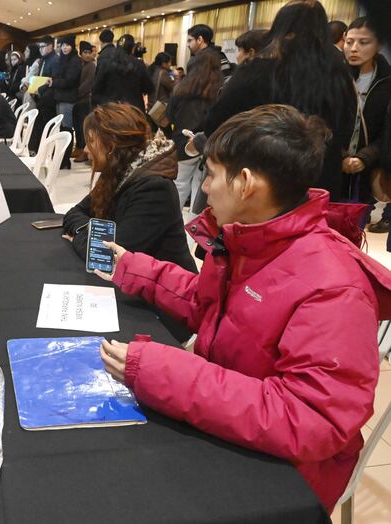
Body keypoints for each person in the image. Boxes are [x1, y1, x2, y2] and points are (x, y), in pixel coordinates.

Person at [96, 104, 391, 513]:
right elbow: (210, 306)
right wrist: (137, 268)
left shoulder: (333, 287)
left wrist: (163, 370)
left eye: (212, 174)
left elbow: (310, 419)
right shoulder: (254, 241)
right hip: (233, 422)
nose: (204, 189)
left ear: (246, 183)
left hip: (288, 474)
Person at [190, 0, 356, 202]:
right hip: (321, 180)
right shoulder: (340, 75)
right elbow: (346, 129)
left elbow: (216, 121)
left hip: (263, 179)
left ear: (281, 28)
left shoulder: (259, 69)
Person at [62, 103, 196, 272]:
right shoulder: (116, 173)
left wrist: (78, 238)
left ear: (110, 147)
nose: (87, 150)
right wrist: (93, 233)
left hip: (163, 295)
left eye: (90, 142)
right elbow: (73, 213)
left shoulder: (155, 190)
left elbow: (110, 258)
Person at [343, 16, 391, 217]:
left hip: (367, 170)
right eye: (349, 41)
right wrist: (342, 156)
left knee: (354, 229)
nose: (354, 48)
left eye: (364, 42)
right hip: (331, 168)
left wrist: (365, 157)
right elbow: (320, 123)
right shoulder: (334, 77)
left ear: (378, 45)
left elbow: (387, 133)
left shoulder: (387, 83)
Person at [167, 50, 223, 215]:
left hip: (182, 143)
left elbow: (169, 115)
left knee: (179, 185)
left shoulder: (181, 88)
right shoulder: (218, 90)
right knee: (201, 191)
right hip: (206, 142)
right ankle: (194, 231)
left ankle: (171, 224)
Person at [92, 34, 153, 111]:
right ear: (132, 48)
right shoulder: (138, 64)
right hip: (134, 110)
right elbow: (149, 88)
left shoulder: (106, 64)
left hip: (112, 110)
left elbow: (96, 89)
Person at [48, 35, 82, 169]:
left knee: (66, 129)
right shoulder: (61, 60)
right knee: (60, 129)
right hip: (59, 98)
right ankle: (60, 158)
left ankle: (65, 160)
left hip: (68, 99)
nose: (64, 48)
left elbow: (70, 80)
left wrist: (54, 82)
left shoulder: (75, 60)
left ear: (72, 46)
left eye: (67, 45)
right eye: (62, 45)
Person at [71, 41, 96, 162]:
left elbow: (88, 84)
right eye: (84, 52)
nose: (87, 55)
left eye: (89, 52)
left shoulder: (91, 65)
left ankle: (85, 152)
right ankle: (79, 148)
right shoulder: (81, 64)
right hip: (78, 101)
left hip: (85, 100)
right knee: (78, 126)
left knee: (84, 127)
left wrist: (75, 94)